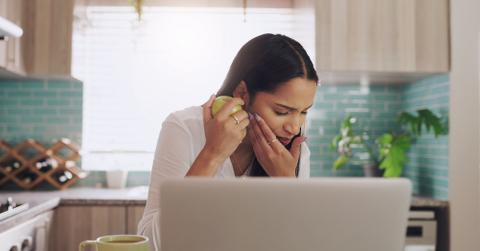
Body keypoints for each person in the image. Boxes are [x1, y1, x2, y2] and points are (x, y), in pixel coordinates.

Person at [137, 33, 319, 250]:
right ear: (243, 93)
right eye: (282, 111)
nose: (294, 126)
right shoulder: (184, 128)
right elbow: (151, 244)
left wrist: (286, 183)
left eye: (304, 112)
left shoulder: (294, 153)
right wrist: (212, 155)